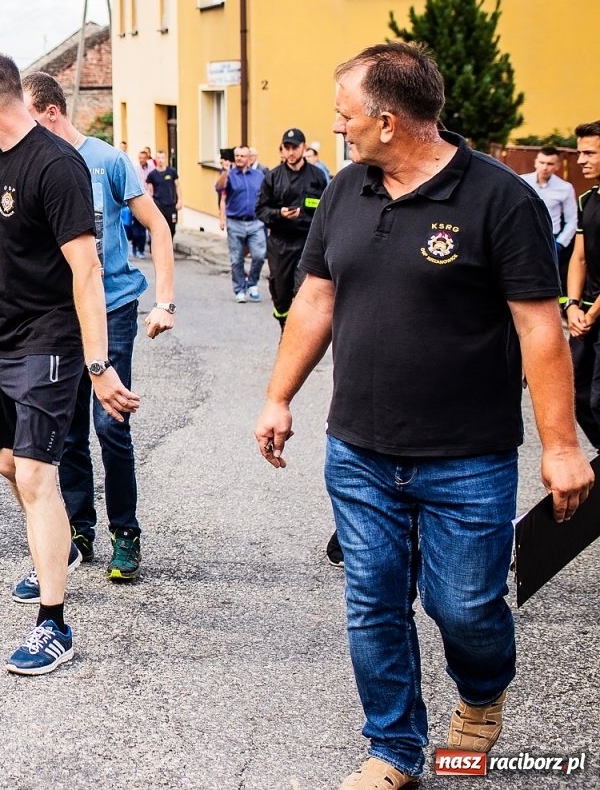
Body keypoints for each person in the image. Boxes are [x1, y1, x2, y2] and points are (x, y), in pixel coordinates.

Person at [252, 43, 593, 790]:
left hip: (467, 454)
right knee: (373, 603)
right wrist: (280, 396)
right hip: (360, 451)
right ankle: (394, 750)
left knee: (462, 605)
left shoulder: (500, 200)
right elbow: (316, 297)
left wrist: (562, 446)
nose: (337, 129)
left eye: (346, 116)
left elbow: (541, 328)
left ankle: (480, 690)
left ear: (389, 118)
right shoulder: (346, 190)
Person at [0, 51, 140, 676]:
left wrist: (98, 365)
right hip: (2, 342)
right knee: (9, 465)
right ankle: (53, 554)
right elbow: (0, 258)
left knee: (36, 476)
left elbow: (85, 272)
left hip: (49, 343)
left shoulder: (59, 167)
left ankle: (54, 624)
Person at [19, 72, 175, 584]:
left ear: (50, 112)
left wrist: (165, 301)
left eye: (27, 113)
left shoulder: (107, 160)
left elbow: (157, 226)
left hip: (112, 309)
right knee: (64, 433)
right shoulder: (32, 163)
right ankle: (78, 532)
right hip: (61, 315)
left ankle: (125, 534)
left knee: (111, 424)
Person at [256, 128, 327, 328]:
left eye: (294, 147)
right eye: (286, 148)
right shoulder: (273, 176)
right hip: (280, 243)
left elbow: (326, 208)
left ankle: (300, 332)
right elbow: (260, 210)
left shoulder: (317, 176)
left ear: (304, 148)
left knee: (307, 290)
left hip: (308, 242)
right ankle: (284, 327)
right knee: (280, 290)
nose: (290, 152)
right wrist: (279, 214)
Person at [567, 121, 600, 449]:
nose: (581, 160)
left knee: (598, 399)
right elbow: (579, 258)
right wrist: (573, 305)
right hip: (586, 315)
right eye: (580, 152)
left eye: (589, 153)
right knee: (573, 395)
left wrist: (590, 315)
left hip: (594, 316)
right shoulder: (587, 199)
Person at [215, 146, 267, 303]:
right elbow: (218, 187)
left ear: (249, 158)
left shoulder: (259, 175)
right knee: (236, 258)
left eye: (242, 156)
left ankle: (252, 284)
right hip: (235, 222)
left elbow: (266, 196)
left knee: (259, 255)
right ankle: (239, 289)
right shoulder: (229, 175)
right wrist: (225, 172)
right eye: (236, 155)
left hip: (255, 222)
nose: (238, 158)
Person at [522, 145, 578, 286]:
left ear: (557, 166)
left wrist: (560, 243)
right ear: (536, 162)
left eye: (550, 164)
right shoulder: (521, 181)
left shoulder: (565, 188)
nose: (545, 167)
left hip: (550, 239)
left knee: (548, 280)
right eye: (542, 162)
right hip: (523, 236)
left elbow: (572, 220)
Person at [146, 150, 182, 237]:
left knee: (172, 229)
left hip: (170, 204)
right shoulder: (152, 175)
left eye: (162, 158)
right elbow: (149, 190)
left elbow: (177, 186)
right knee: (159, 228)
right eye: (158, 158)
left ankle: (169, 247)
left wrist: (180, 200)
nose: (160, 160)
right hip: (158, 205)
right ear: (156, 159)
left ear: (165, 159)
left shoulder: (172, 172)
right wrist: (149, 204)